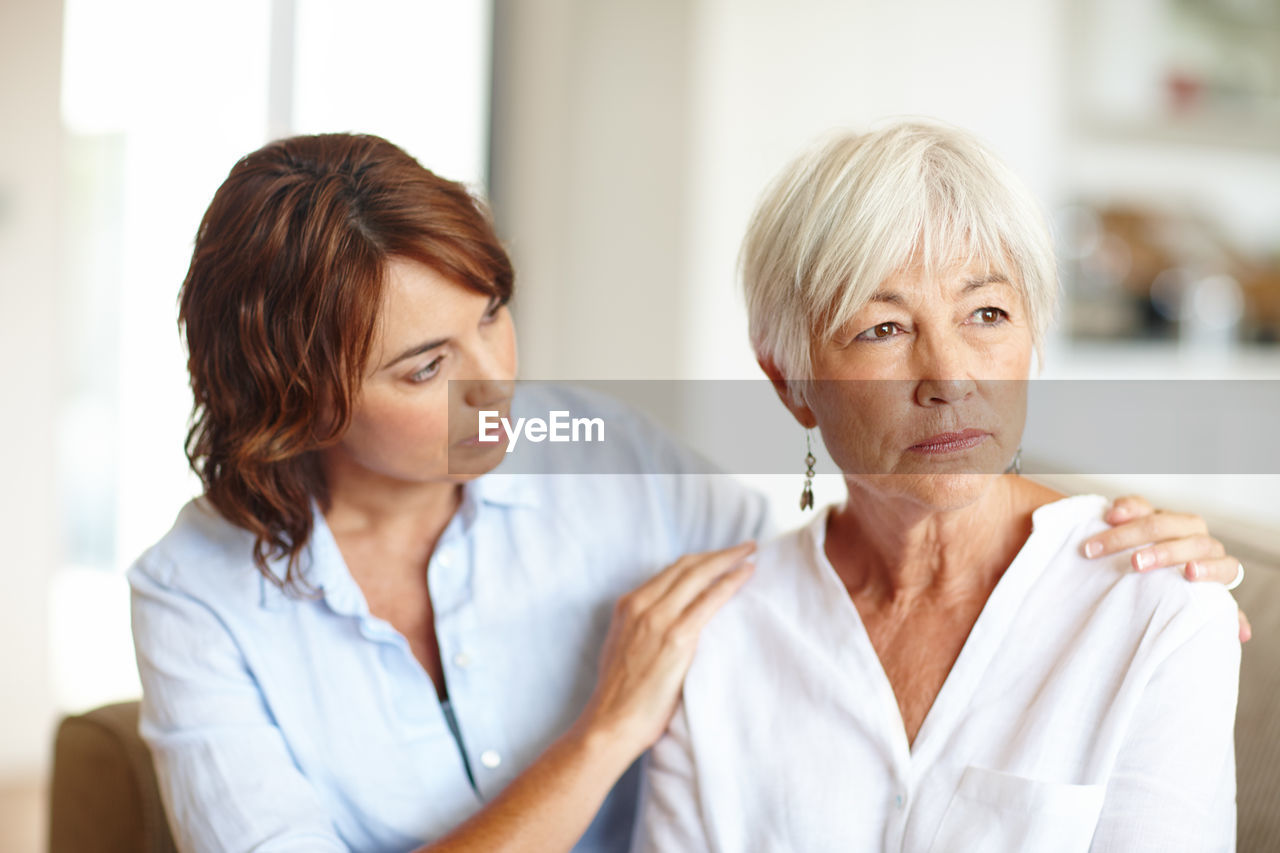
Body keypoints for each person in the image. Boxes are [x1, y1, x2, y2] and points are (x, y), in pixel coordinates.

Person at [129, 132, 1244, 853]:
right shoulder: (194, 596)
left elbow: (846, 553)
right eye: (425, 368)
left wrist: (1119, 543)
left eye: (491, 313)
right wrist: (608, 729)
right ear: (302, 402)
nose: (495, 381)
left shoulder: (605, 459)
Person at [634, 121, 1241, 852]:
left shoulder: (1156, 604)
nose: (951, 376)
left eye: (986, 313)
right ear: (790, 381)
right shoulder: (718, 635)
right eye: (884, 328)